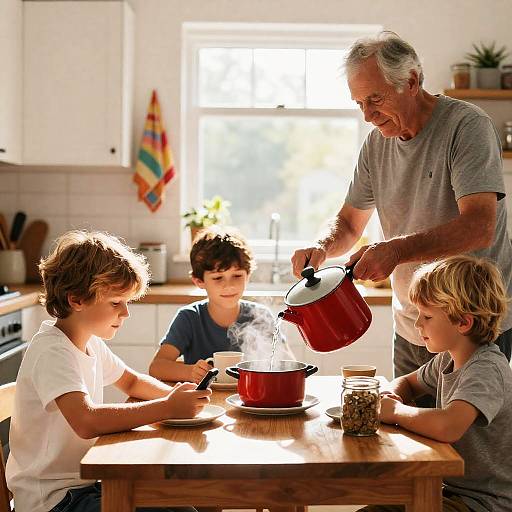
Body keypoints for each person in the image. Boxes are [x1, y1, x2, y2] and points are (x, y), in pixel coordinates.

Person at [291, 31, 512, 389]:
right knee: (403, 438)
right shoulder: (376, 145)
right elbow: (348, 223)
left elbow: (478, 227)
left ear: (410, 81)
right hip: (413, 326)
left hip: (470, 326)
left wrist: (395, 250)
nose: (367, 116)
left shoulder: (466, 126)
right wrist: (322, 247)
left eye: (374, 99)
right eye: (359, 103)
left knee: (463, 441)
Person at [6, 231, 211, 512]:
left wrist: (183, 398)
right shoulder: (52, 351)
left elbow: (132, 381)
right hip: (53, 499)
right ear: (77, 299)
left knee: (181, 507)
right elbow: (86, 421)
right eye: (116, 303)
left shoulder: (89, 342)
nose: (125, 313)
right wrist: (167, 407)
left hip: (85, 484)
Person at [358, 255, 512, 512]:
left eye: (427, 316)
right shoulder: (446, 360)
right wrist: (392, 394)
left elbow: (448, 426)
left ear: (463, 322)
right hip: (450, 491)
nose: (418, 324)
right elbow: (407, 382)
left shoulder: (486, 369)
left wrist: (395, 411)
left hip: (483, 503)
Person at [149, 226, 293, 383]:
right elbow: (156, 367)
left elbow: (289, 364)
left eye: (237, 275)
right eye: (218, 278)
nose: (229, 285)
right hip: (203, 403)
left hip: (252, 399)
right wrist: (190, 372)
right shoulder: (189, 317)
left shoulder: (260, 316)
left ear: (248, 276)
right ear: (199, 281)